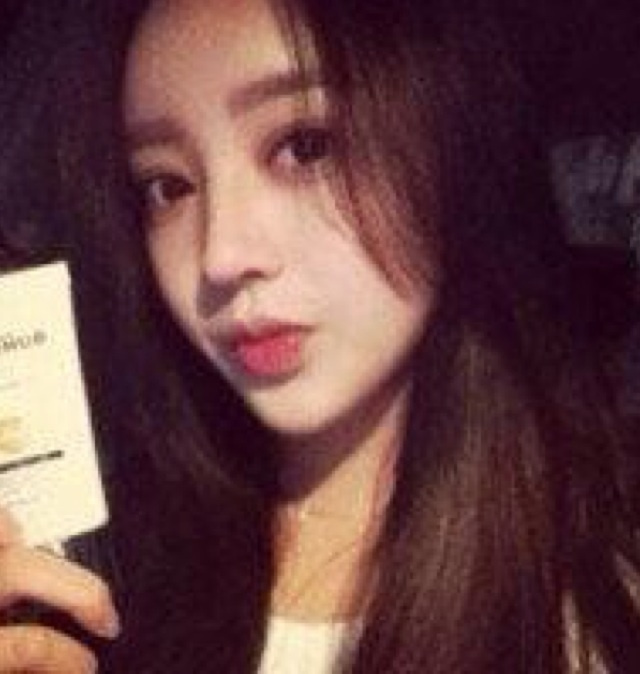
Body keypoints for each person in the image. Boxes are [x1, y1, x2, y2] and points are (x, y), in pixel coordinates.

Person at [0, 0, 638, 672]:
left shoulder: (591, 610)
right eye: (169, 186)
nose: (221, 255)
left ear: (457, 147)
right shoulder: (99, 559)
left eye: (306, 147)